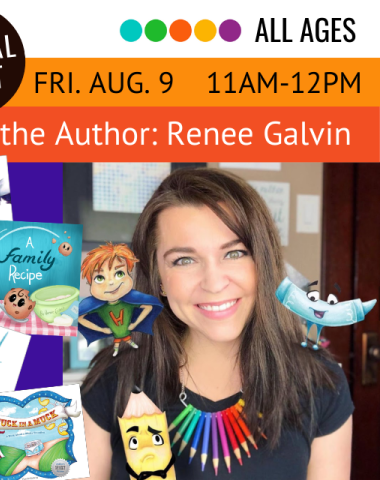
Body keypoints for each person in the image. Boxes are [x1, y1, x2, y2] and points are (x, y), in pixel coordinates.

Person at [79, 168, 353, 480]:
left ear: (262, 262)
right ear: (159, 279)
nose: (213, 283)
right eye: (184, 260)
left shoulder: (320, 384)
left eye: (234, 253)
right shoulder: (113, 383)